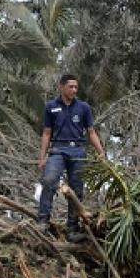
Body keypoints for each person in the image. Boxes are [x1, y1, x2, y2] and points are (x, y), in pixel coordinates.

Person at [37, 74, 106, 242]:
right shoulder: (51, 107)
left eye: (76, 87)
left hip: (78, 151)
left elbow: (91, 132)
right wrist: (42, 157)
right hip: (58, 150)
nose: (74, 90)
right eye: (71, 87)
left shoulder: (83, 107)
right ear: (61, 87)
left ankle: (72, 229)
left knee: (76, 190)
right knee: (48, 180)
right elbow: (46, 133)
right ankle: (42, 221)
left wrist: (101, 152)